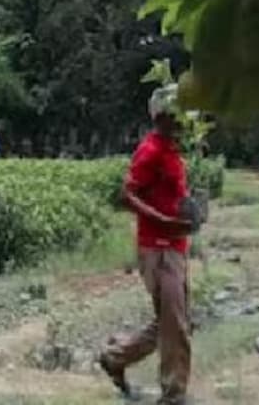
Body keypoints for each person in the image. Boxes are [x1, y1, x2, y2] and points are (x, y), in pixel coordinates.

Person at [97, 84, 193, 405]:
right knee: (175, 323)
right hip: (158, 245)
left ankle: (116, 358)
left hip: (174, 245)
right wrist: (164, 222)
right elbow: (126, 195)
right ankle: (173, 394)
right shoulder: (150, 150)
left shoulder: (172, 148)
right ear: (162, 116)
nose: (181, 121)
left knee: (172, 320)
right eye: (175, 115)